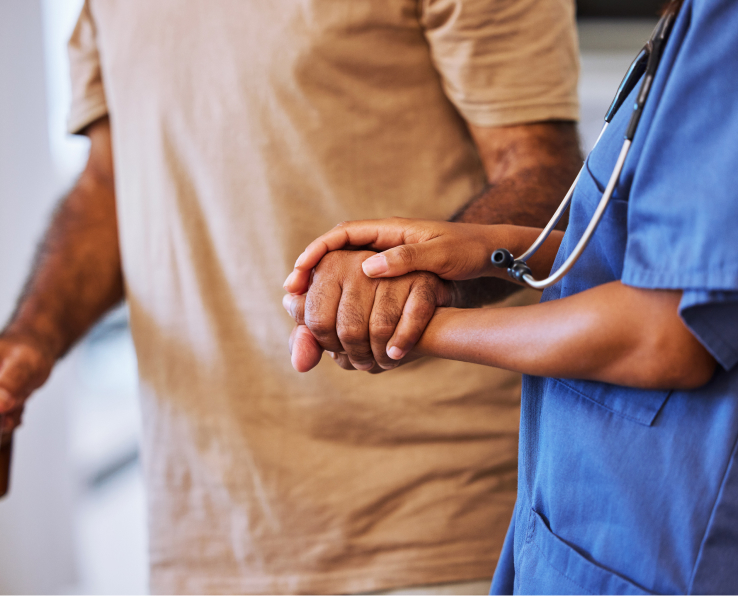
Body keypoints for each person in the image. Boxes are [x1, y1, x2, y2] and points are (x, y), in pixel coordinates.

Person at [0, 1, 582, 593]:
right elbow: (107, 185)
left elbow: (543, 170)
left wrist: (421, 273)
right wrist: (28, 338)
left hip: (429, 527)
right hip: (203, 531)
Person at [285, 0, 738, 592]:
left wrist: (410, 322)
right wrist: (486, 245)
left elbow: (666, 333)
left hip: (662, 546)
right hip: (583, 528)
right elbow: (662, 252)